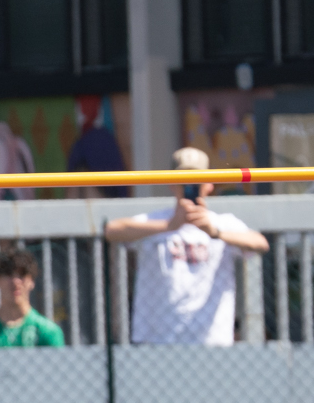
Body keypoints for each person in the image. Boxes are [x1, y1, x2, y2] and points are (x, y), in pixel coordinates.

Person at [107, 148, 271, 346]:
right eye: (183, 180)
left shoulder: (221, 222)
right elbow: (112, 230)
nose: (190, 187)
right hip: (157, 340)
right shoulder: (156, 220)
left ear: (209, 185)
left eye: (197, 180)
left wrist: (215, 232)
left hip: (211, 339)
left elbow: (260, 244)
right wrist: (168, 226)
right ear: (171, 183)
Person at [0, 245, 65, 348]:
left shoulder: (48, 333)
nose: (15, 282)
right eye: (8, 274)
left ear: (32, 281)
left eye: (22, 275)